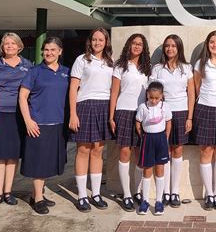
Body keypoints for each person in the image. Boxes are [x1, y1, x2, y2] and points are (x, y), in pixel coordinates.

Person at [19, 37, 70, 215]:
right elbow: (22, 97)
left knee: (49, 162)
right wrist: (28, 121)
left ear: (60, 51)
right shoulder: (34, 71)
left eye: (53, 50)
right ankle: (38, 200)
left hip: (58, 124)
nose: (49, 53)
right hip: (38, 124)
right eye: (46, 50)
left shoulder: (66, 72)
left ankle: (36, 194)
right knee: (39, 164)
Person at [0, 32, 32, 209]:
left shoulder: (28, 65)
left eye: (13, 43)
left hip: (18, 115)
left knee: (12, 156)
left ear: (19, 46)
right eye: (6, 44)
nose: (9, 46)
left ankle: (8, 192)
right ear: (2, 47)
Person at [69, 28, 113, 213]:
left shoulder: (111, 62)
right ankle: (81, 195)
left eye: (101, 40)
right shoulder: (82, 59)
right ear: (90, 41)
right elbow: (73, 88)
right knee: (83, 150)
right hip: (85, 106)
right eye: (94, 39)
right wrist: (73, 113)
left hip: (103, 105)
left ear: (106, 42)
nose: (97, 43)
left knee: (98, 150)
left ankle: (96, 194)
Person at [150, 34, 195, 207]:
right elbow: (152, 92)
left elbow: (191, 93)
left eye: (174, 46)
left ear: (179, 48)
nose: (170, 48)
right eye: (167, 45)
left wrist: (190, 117)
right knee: (164, 151)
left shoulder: (186, 68)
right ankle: (165, 191)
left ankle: (174, 191)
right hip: (162, 114)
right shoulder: (157, 69)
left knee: (177, 151)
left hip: (182, 112)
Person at [109, 33, 151, 212]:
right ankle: (126, 194)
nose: (136, 46)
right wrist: (111, 117)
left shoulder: (147, 68)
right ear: (128, 45)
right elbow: (114, 93)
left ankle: (137, 191)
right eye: (133, 43)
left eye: (140, 44)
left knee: (139, 155)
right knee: (125, 153)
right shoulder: (120, 66)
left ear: (143, 48)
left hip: (142, 114)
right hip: (124, 112)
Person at [193, 30, 216, 210]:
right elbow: (197, 87)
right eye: (212, 42)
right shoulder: (201, 63)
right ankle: (209, 193)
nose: (215, 45)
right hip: (205, 109)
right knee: (206, 151)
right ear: (207, 44)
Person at [135, 81, 172, 215]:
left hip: (161, 139)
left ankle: (158, 201)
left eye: (157, 98)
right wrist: (143, 137)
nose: (154, 100)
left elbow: (168, 123)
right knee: (147, 171)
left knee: (160, 170)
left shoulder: (165, 107)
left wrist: (165, 138)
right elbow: (138, 123)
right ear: (147, 95)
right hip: (148, 140)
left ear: (162, 96)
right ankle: (144, 201)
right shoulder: (143, 107)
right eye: (151, 97)